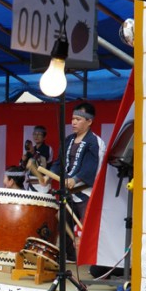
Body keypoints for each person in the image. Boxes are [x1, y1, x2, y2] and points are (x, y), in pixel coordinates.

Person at [50, 102, 106, 264]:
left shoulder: (94, 142)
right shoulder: (68, 140)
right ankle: (70, 257)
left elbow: (92, 166)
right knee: (63, 222)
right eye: (73, 119)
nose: (73, 122)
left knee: (88, 226)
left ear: (89, 121)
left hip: (86, 191)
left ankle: (92, 260)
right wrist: (51, 174)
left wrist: (76, 179)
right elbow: (59, 161)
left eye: (78, 119)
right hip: (68, 190)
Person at [20, 125, 54, 193]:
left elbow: (42, 164)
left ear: (44, 137)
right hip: (31, 183)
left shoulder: (47, 149)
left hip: (43, 183)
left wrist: (33, 152)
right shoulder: (32, 148)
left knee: (43, 203)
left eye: (39, 134)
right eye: (35, 134)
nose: (36, 136)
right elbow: (23, 168)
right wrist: (23, 161)